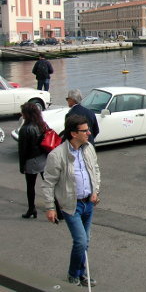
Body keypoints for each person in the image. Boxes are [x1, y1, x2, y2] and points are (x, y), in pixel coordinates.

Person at [41, 115, 101, 287]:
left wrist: (95, 191)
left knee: (85, 241)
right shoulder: (57, 155)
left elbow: (95, 170)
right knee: (81, 241)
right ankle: (72, 275)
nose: (89, 133)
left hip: (89, 202)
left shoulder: (88, 148)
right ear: (74, 134)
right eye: (85, 130)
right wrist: (50, 207)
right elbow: (48, 183)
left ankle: (80, 273)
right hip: (71, 206)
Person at [18, 102, 47, 219]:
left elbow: (22, 150)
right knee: (49, 185)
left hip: (31, 161)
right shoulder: (41, 124)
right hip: (43, 158)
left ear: (26, 114)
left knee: (30, 186)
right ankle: (58, 209)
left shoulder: (25, 129)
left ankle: (31, 209)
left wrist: (22, 166)